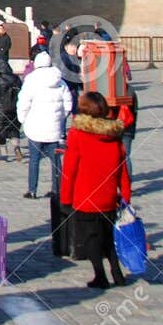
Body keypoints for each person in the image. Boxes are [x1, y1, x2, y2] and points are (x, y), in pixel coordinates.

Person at [60, 92, 132, 290]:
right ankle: (117, 273)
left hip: (85, 196)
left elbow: (70, 169)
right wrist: (125, 195)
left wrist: (66, 198)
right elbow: (122, 169)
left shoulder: (78, 134)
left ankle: (100, 275)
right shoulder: (113, 135)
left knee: (91, 237)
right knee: (108, 236)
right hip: (108, 196)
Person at [16, 51, 68, 198]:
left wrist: (23, 119)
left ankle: (32, 190)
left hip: (35, 126)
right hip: (54, 127)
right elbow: (68, 104)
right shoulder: (60, 81)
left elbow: (23, 102)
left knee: (34, 159)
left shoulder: (31, 81)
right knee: (56, 160)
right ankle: (57, 189)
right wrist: (60, 117)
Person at [0, 56, 23, 161]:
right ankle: (16, 147)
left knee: (0, 130)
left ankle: (3, 153)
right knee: (14, 129)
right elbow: (21, 90)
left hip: (1, 107)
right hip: (14, 106)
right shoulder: (15, 78)